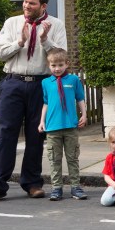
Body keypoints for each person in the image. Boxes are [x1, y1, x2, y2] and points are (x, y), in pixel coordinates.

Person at [0, 0, 67, 204]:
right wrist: (20, 42)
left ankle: (32, 183)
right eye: (25, 2)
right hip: (13, 82)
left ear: (44, 6)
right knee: (6, 134)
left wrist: (44, 40)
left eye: (32, 3)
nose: (26, 6)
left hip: (41, 83)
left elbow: (60, 57)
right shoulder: (12, 23)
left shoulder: (56, 25)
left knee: (37, 135)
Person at [37, 48, 88, 201]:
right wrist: (41, 121)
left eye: (60, 65)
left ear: (67, 64)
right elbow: (46, 103)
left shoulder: (73, 80)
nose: (57, 68)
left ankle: (75, 187)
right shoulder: (45, 82)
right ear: (49, 65)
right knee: (54, 159)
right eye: (53, 65)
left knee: (72, 158)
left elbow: (80, 99)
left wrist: (84, 115)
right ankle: (56, 188)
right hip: (52, 128)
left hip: (70, 127)